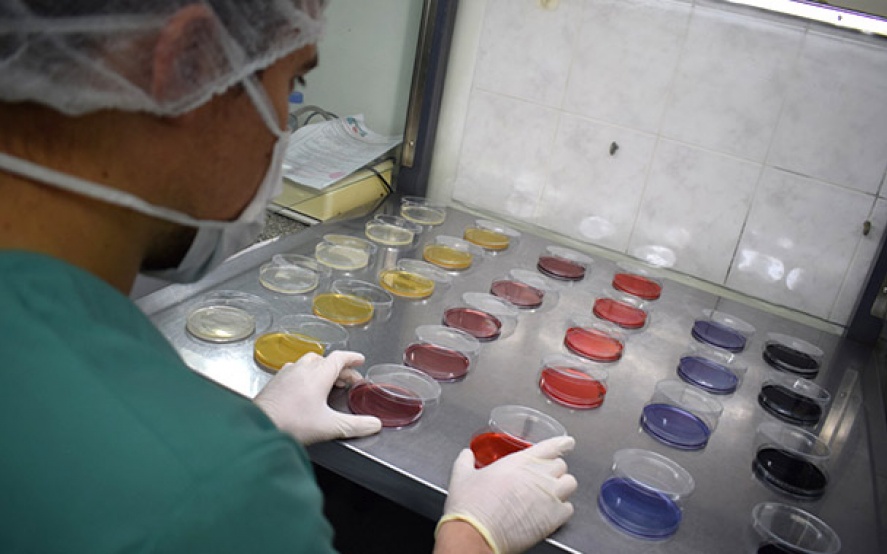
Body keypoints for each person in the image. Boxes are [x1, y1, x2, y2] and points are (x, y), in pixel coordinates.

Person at [0, 2, 577, 553]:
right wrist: (471, 537)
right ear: (188, 64)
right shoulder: (215, 496)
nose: (286, 122)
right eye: (293, 83)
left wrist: (257, 426)